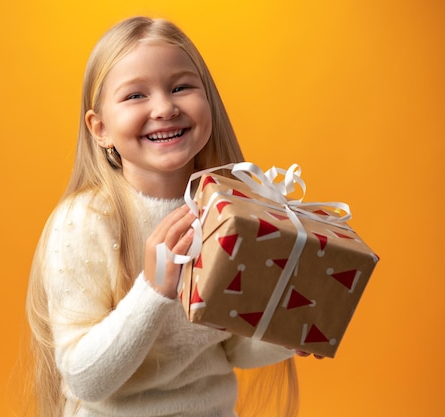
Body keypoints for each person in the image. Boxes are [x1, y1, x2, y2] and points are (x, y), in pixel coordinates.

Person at [22, 16, 306, 417]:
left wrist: (294, 328)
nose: (165, 107)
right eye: (135, 95)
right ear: (100, 128)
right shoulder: (85, 222)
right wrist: (153, 292)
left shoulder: (226, 210)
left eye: (180, 87)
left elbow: (232, 349)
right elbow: (85, 379)